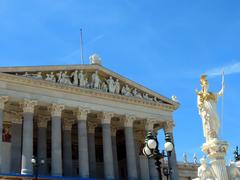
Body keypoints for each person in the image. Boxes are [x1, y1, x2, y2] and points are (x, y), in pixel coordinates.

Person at [196, 75, 224, 142]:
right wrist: (203, 109)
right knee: (210, 122)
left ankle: (215, 134)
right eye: (205, 84)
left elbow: (220, 93)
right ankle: (211, 136)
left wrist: (223, 86)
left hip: (213, 110)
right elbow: (199, 104)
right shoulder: (200, 94)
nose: (206, 85)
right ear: (202, 85)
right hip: (207, 111)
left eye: (207, 84)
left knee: (216, 121)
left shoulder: (211, 93)